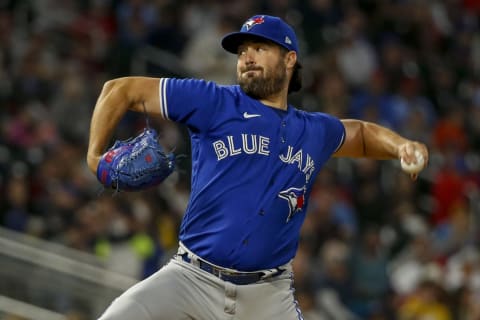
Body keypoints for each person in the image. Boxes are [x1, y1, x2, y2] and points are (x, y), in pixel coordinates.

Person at [87, 14, 428, 320]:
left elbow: (362, 134)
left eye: (260, 47)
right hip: (190, 279)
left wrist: (402, 146)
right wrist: (95, 155)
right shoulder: (214, 101)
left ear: (289, 58)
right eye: (242, 50)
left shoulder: (312, 130)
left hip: (267, 296)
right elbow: (120, 90)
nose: (247, 56)